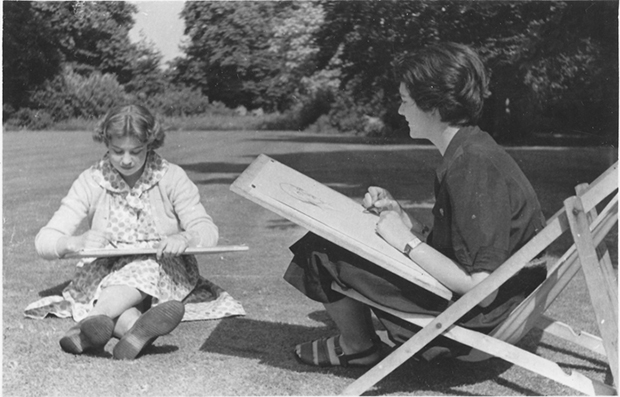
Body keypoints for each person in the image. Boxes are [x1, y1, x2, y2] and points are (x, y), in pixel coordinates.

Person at [284, 42, 547, 367]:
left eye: (406, 101)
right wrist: (402, 219)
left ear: (433, 108)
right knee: (335, 240)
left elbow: (483, 288)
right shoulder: (474, 150)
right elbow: (463, 248)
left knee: (318, 248)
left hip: (479, 316)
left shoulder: (471, 166)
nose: (399, 111)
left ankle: (357, 347)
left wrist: (404, 241)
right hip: (502, 305)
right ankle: (358, 344)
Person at [26, 104, 245, 360]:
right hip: (104, 271)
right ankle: (133, 331)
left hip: (160, 266)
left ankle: (90, 325)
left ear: (150, 144)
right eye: (118, 151)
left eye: (136, 151)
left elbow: (206, 230)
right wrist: (73, 241)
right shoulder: (91, 179)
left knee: (141, 269)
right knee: (114, 291)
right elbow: (45, 240)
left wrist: (185, 237)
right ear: (106, 142)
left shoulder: (171, 176)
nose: (126, 159)